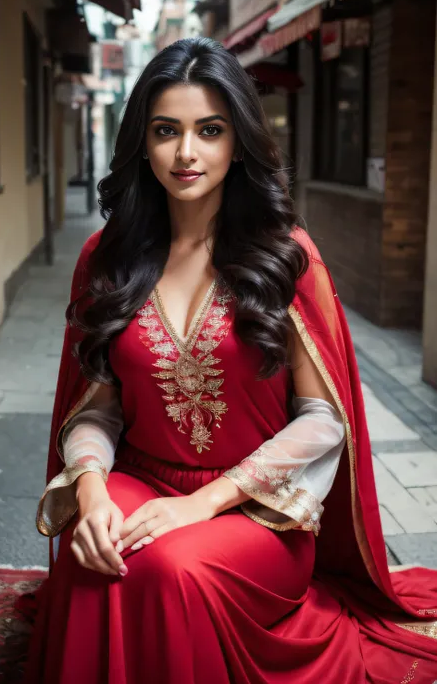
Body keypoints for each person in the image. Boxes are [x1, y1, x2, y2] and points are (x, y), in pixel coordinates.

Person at [23, 37, 437, 683]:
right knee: (91, 555)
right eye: (166, 131)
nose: (187, 153)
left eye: (209, 130)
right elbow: (96, 409)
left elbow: (324, 418)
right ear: (142, 142)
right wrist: (92, 490)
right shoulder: (108, 257)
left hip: (257, 507)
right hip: (138, 478)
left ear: (239, 140)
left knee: (167, 567)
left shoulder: (286, 255)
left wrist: (207, 500)